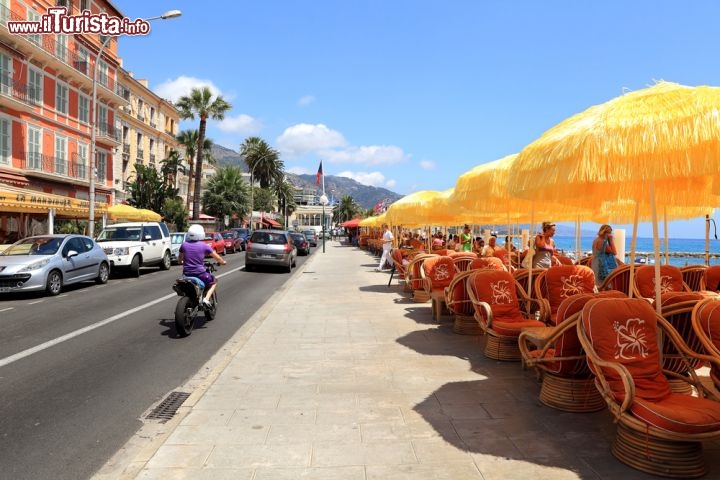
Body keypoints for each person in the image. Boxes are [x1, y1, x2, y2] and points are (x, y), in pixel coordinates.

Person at [178, 224, 227, 307]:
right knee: (214, 282)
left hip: (186, 274)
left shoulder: (184, 245)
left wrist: (182, 262)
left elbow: (179, 259)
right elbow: (218, 258)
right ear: (201, 234)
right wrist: (223, 262)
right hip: (200, 274)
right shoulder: (204, 246)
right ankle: (206, 299)